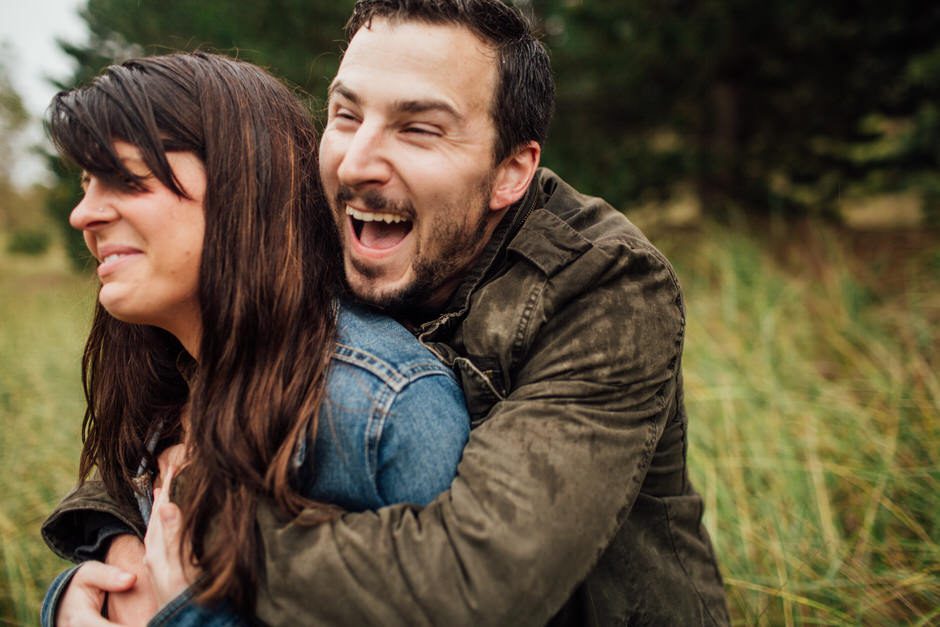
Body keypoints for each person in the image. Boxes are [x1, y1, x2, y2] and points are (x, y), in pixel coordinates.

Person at [45, 1, 731, 624]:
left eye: (419, 127)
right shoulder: (321, 221)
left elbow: (475, 578)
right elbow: (169, 410)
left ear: (511, 171)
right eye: (345, 115)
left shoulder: (604, 288)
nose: (357, 162)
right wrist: (107, 563)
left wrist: (202, 536)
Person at [38, 51, 470, 626]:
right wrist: (71, 603)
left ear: (243, 188)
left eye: (127, 180)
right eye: (88, 183)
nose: (83, 214)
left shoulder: (381, 407)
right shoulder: (170, 372)